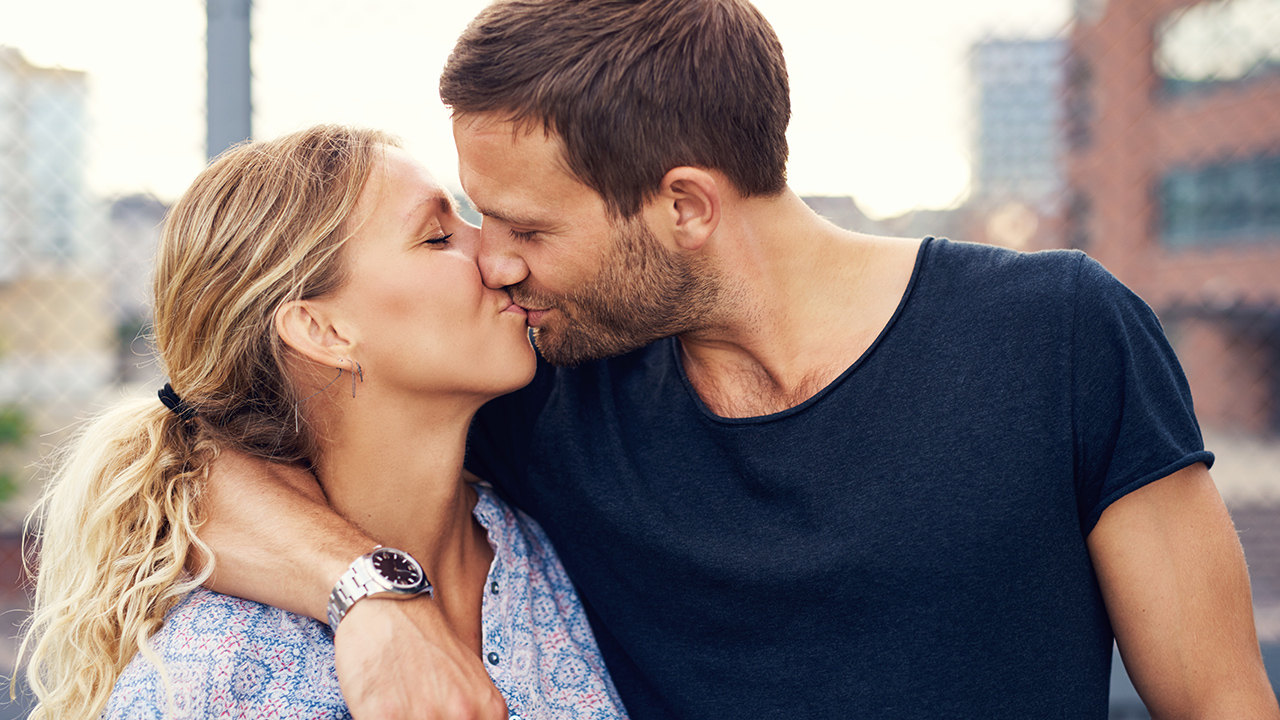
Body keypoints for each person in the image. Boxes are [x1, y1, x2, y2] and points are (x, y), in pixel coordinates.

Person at [196, 1, 1280, 718]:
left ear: (682, 207)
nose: (498, 264)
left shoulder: (1059, 335)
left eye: (527, 227)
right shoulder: (544, 391)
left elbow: (1219, 705)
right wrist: (372, 603)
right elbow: (189, 464)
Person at [16, 126, 627, 720]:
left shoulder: (545, 551)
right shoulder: (222, 671)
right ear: (323, 330)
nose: (497, 257)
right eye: (438, 237)